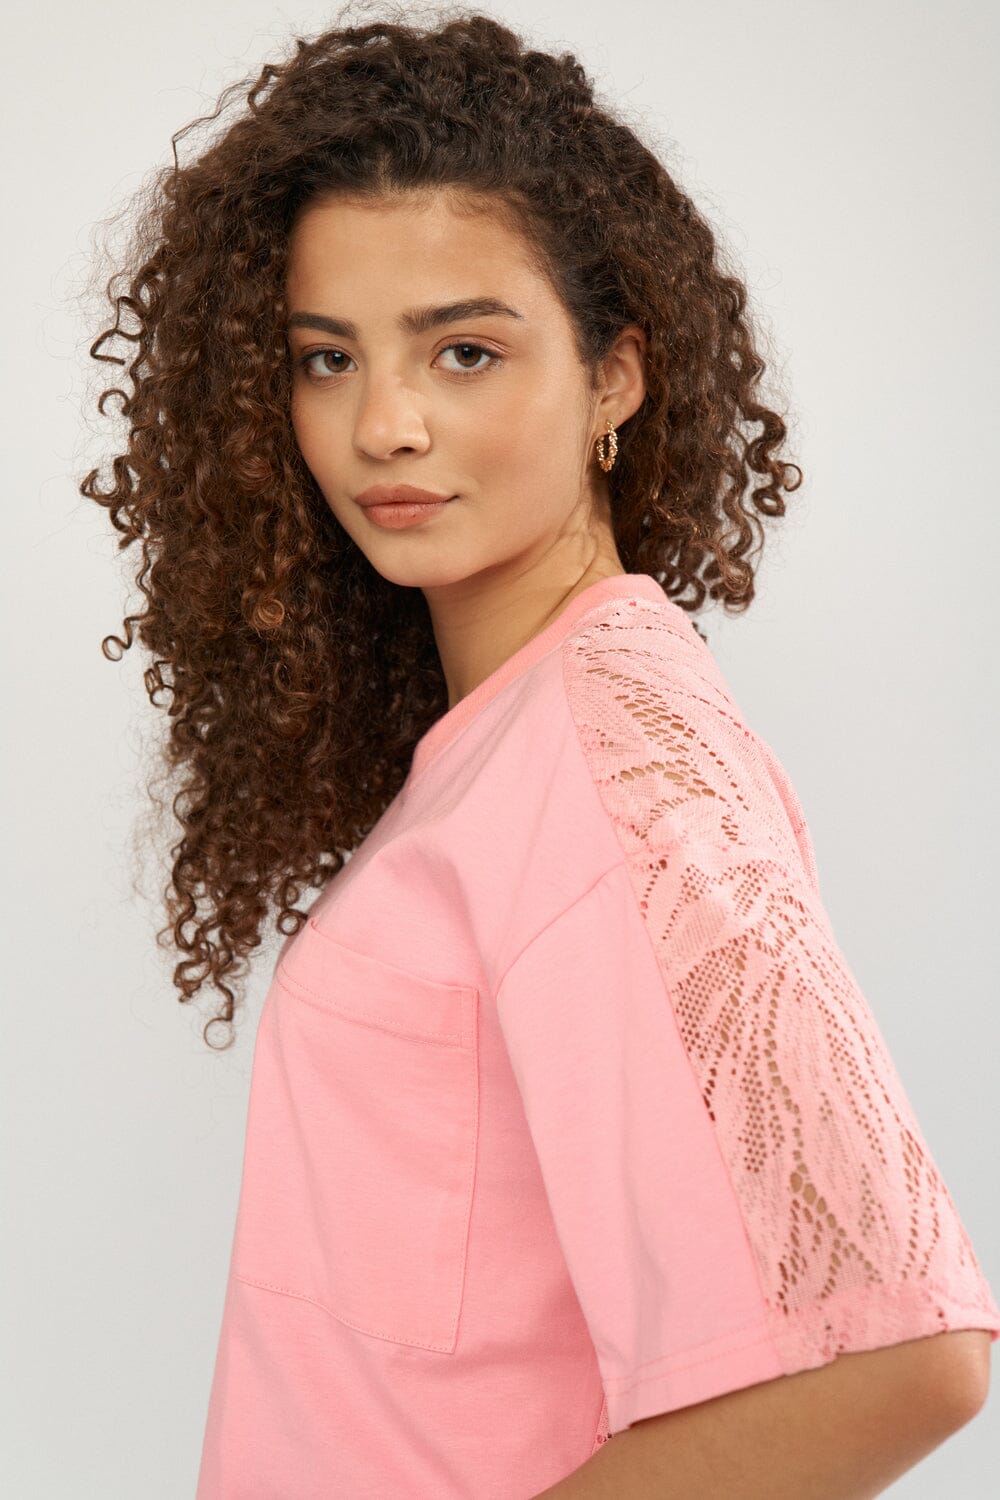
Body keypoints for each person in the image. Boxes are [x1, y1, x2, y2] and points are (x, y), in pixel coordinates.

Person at [79, 6, 998, 1496]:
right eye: (327, 359)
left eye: (464, 351)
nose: (385, 424)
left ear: (615, 375)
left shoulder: (607, 754)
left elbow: (897, 1358)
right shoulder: (514, 737)